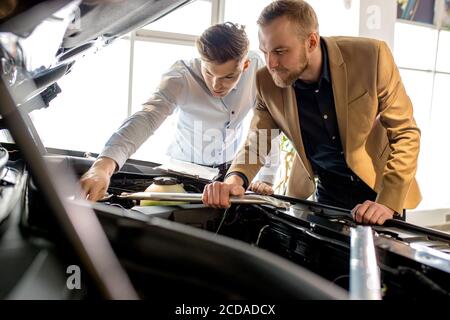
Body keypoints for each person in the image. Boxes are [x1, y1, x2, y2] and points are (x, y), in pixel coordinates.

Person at [202, 0, 422, 226]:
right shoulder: (265, 81)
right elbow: (257, 141)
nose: (271, 63)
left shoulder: (371, 56)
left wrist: (387, 202)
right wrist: (234, 179)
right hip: (325, 193)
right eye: (265, 51)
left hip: (379, 191)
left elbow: (406, 133)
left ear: (312, 41)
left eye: (279, 51)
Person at [80, 22, 280, 201]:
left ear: (244, 65)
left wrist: (267, 178)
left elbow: (266, 123)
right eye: (209, 73)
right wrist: (103, 166)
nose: (216, 85)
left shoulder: (257, 69)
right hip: (182, 171)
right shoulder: (180, 76)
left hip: (230, 172)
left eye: (228, 77)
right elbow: (146, 117)